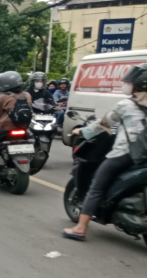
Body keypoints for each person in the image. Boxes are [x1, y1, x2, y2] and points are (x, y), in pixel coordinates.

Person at [62, 64, 147, 241]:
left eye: (130, 82)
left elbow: (103, 123)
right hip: (143, 157)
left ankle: (80, 228)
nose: (126, 84)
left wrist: (81, 132)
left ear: (138, 85)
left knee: (96, 186)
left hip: (125, 153)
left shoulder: (126, 104)